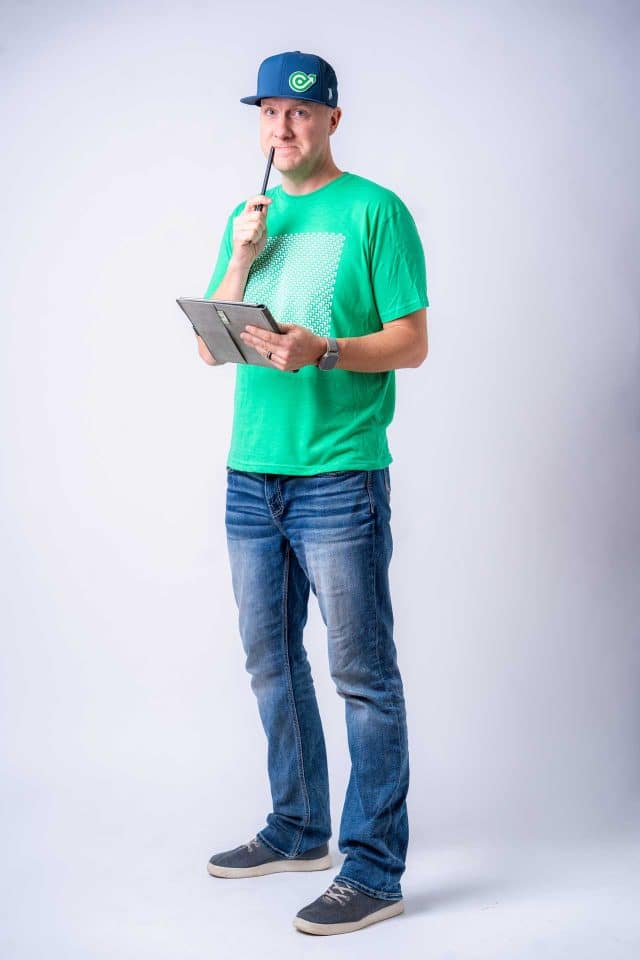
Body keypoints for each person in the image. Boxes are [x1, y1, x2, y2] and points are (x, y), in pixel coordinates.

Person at [199, 50, 429, 937]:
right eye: (268, 113)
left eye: (299, 112)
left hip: (338, 473)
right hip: (252, 472)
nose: (282, 127)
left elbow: (411, 341)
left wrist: (324, 349)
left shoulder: (375, 210)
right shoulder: (248, 217)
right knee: (270, 661)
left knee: (361, 674)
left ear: (332, 118)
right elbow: (211, 345)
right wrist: (239, 258)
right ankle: (298, 829)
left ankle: (373, 871)